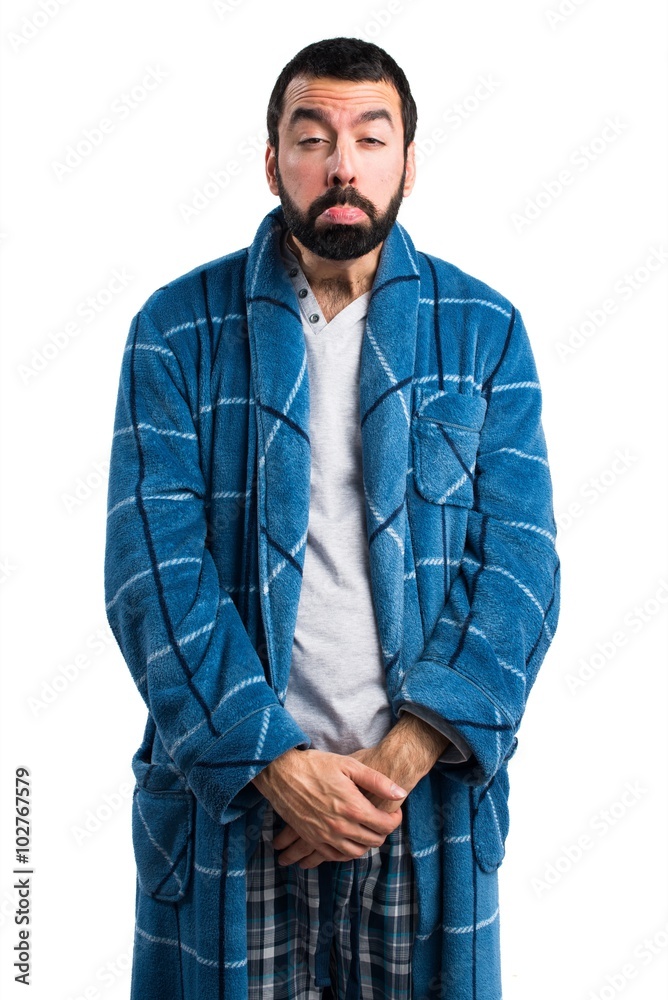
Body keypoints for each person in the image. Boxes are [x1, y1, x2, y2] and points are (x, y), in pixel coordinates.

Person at [104, 36, 560, 1000]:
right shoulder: (177, 332)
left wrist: (399, 760)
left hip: (419, 802)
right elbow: (152, 572)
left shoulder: (484, 331)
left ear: (408, 163)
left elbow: (520, 568)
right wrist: (274, 760)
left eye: (370, 139)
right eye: (312, 139)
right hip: (235, 802)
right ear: (274, 162)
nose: (341, 165)